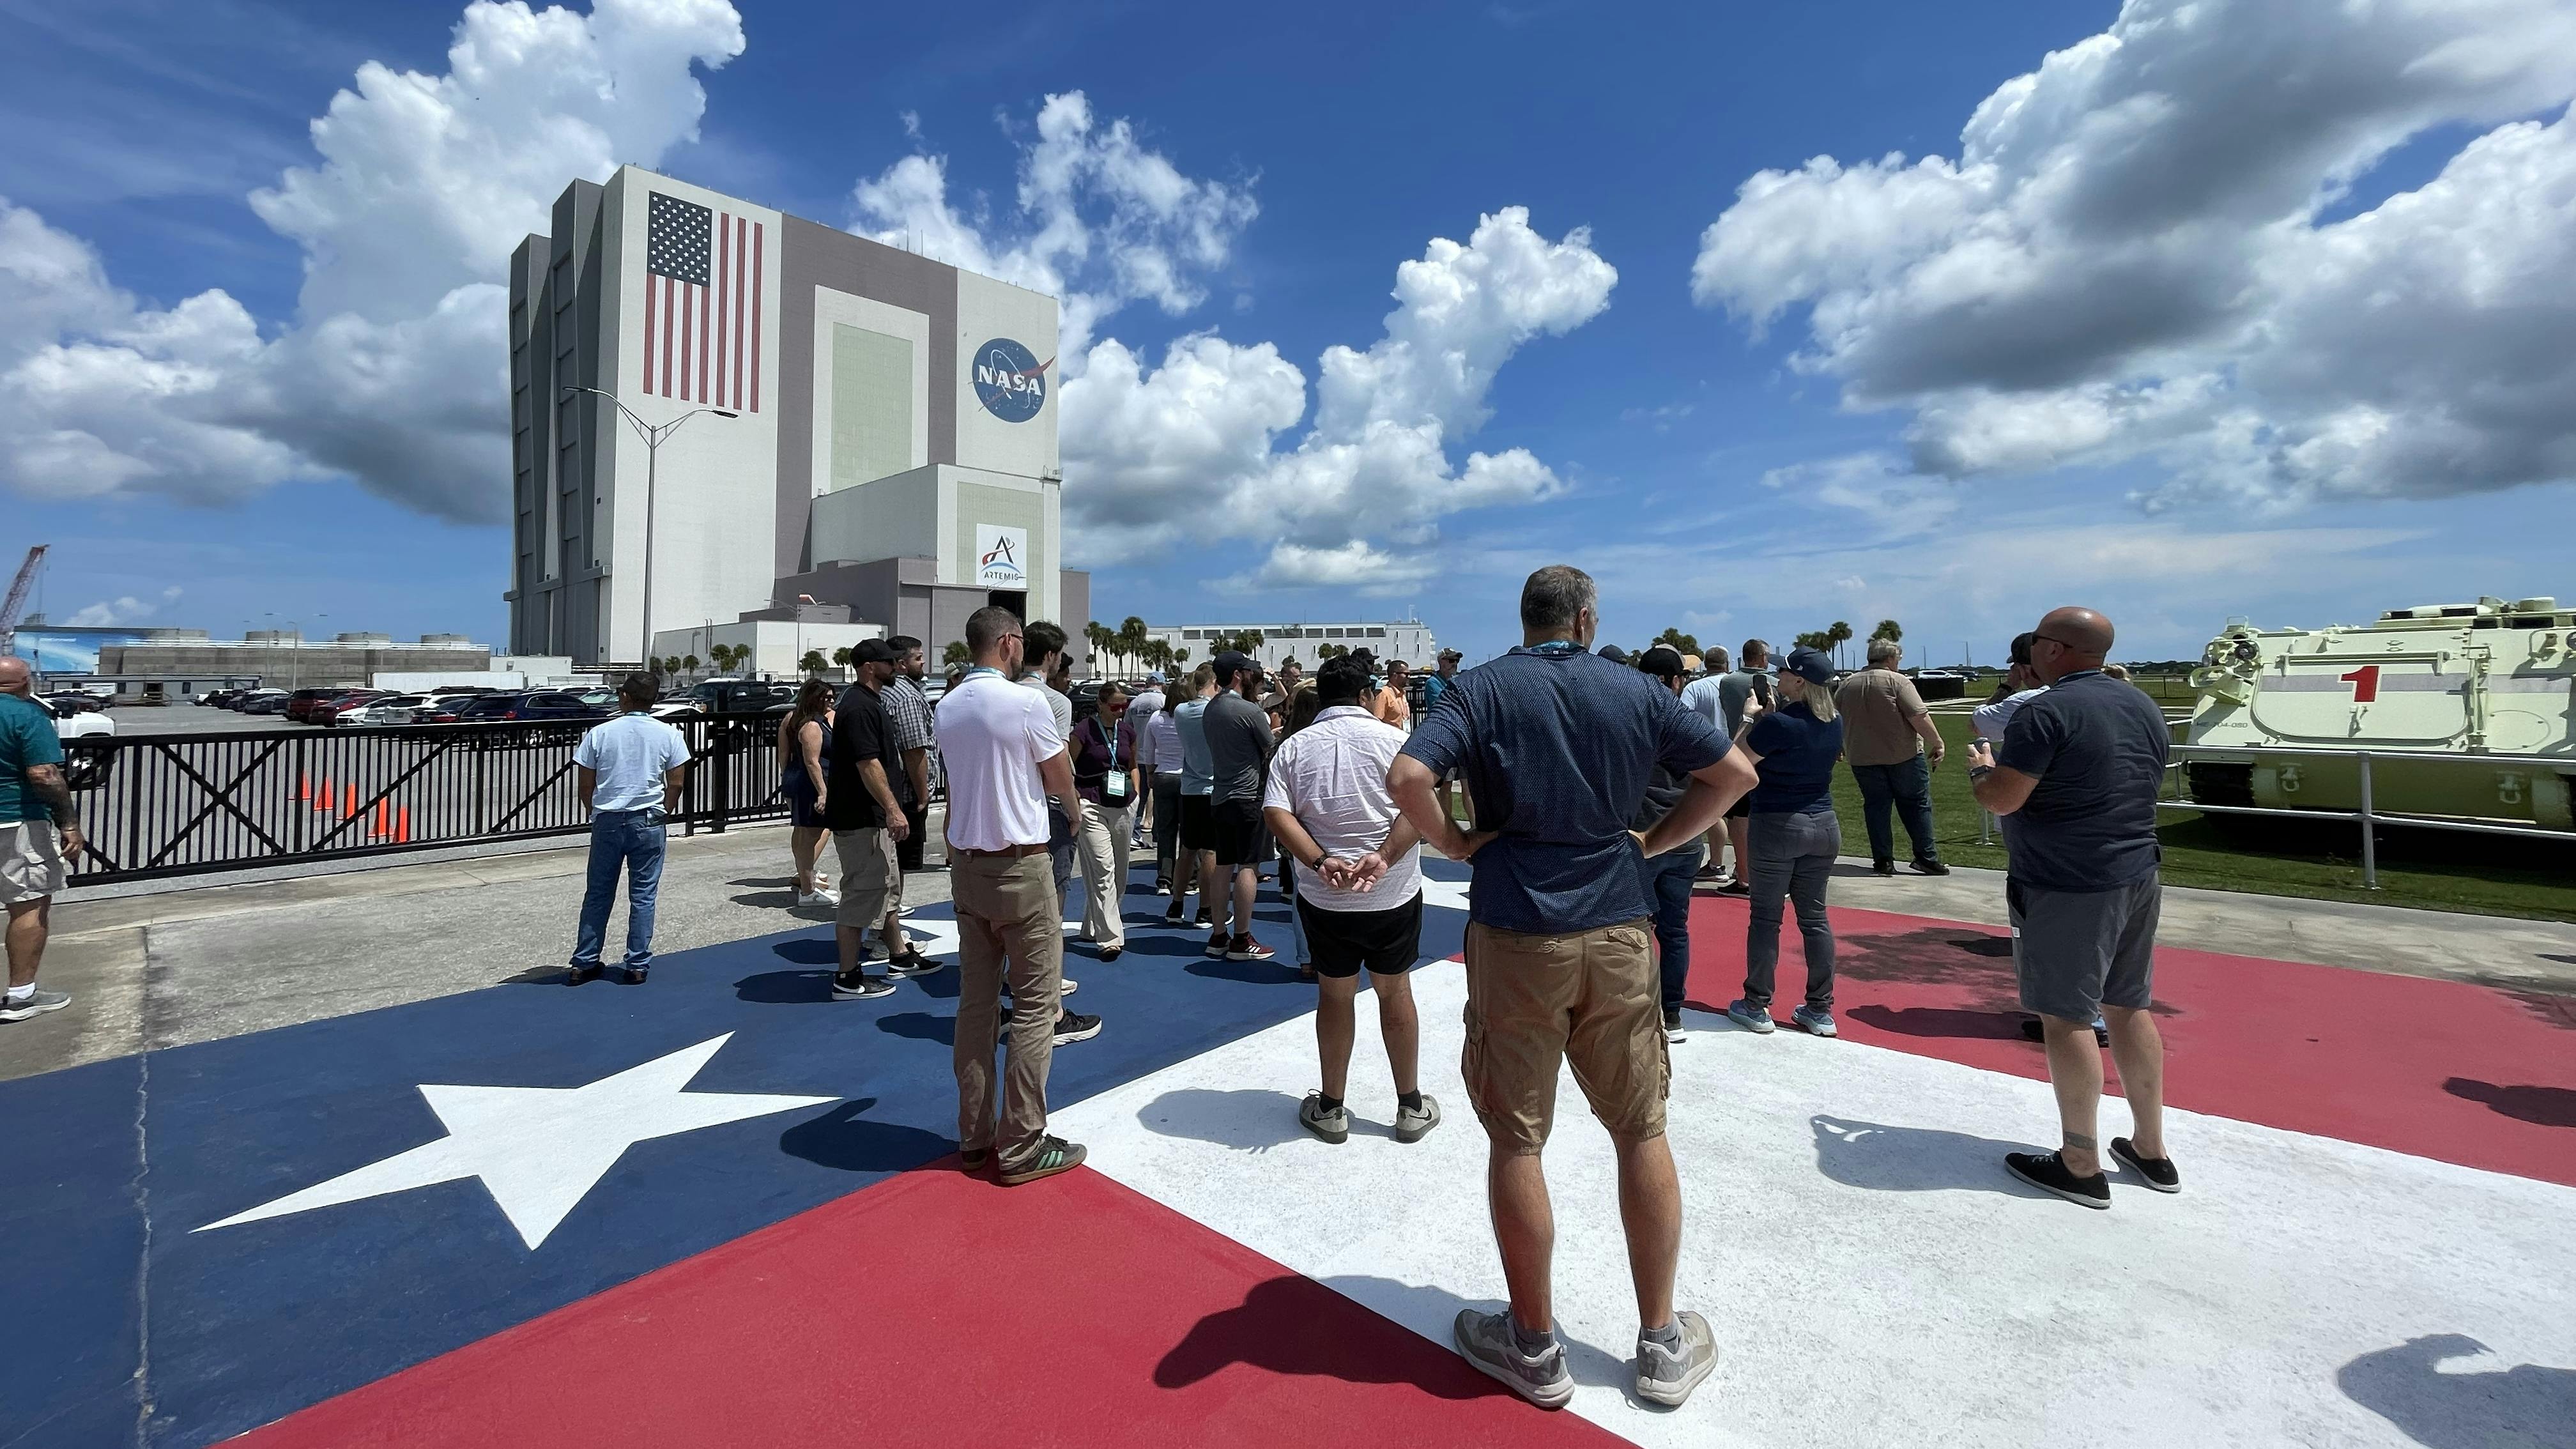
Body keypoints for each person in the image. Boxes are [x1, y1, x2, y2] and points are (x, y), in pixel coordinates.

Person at [1389, 565, 1755, 1411]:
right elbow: (1735, 775)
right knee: (1639, 1128)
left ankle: (1532, 1343)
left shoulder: (1480, 689)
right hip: (1620, 926)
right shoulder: (1634, 690)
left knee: (1518, 1139)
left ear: (1526, 621)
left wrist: (1456, 843)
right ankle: (1661, 1341)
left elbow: (1409, 779)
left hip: (1517, 929)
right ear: (1587, 621)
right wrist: (1658, 843)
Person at [1969, 608, 2177, 1210]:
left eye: (2036, 640)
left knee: (2066, 1017)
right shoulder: (2140, 704)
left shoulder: (2044, 709)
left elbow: (2005, 799)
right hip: (2137, 870)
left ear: (2055, 650)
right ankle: (2151, 1148)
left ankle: (2080, 1162)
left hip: (2068, 882)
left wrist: (1983, 774)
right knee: (2130, 1007)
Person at [936, 606, 1090, 1184]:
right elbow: (1058, 778)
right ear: (1006, 642)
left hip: (968, 866)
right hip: (1020, 867)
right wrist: (1073, 818)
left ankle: (974, 1137)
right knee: (1034, 1006)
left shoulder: (947, 705)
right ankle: (1022, 1143)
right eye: (1020, 641)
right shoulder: (1026, 703)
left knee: (976, 1007)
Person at [1263, 656, 1436, 1144]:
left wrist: (1320, 861)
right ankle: (1410, 1105)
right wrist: (1382, 855)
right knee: (1395, 992)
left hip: (1326, 897)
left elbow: (1276, 812)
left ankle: (1332, 1106)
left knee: (1335, 996)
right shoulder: (1397, 742)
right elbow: (1420, 809)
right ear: (1365, 695)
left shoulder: (1294, 747)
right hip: (1393, 893)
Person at [1725, 647, 1846, 1038]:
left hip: (1778, 823)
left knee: (1766, 918)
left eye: (1784, 673)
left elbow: (1735, 762)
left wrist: (1750, 720)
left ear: (1799, 681)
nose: (1777, 678)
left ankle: (1757, 1003)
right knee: (1814, 919)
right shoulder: (1834, 722)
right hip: (1824, 824)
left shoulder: (1778, 725)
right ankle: (1820, 1009)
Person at [567, 673, 692, 985]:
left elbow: (586, 784)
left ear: (624, 696)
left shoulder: (600, 733)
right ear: (654, 699)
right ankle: (637, 963)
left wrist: (593, 811)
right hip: (648, 817)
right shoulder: (669, 734)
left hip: (608, 818)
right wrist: (665, 810)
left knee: (598, 892)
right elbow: (676, 782)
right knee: (644, 894)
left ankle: (584, 960)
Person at [829, 639, 935, 997]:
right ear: (869, 666)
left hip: (870, 819)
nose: (896, 667)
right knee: (860, 894)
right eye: (889, 662)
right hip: (861, 819)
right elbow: (867, 763)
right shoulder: (859, 707)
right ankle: (847, 976)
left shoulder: (871, 702)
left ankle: (899, 954)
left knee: (885, 887)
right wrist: (893, 808)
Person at [1630, 647, 1706, 1042]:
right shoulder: (1691, 724)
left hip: (1642, 838)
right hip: (1685, 837)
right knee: (1675, 930)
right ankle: (1672, 1012)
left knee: (1634, 930)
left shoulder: (1631, 720)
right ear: (1678, 681)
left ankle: (1639, 1010)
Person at [1, 657, 80, 1023]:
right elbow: (44, 774)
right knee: (28, 904)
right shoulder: (27, 716)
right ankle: (20, 997)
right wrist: (69, 824)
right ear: (24, 682)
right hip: (16, 820)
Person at [1836, 638, 1949, 877]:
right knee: (1917, 805)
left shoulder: (1846, 685)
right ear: (1890, 659)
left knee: (1876, 808)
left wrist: (1838, 745)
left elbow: (1836, 719)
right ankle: (1925, 857)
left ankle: (1883, 860)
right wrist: (1937, 741)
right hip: (1903, 755)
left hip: (1863, 757)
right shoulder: (1898, 682)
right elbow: (1919, 716)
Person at [1202, 650, 1278, 962]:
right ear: (1238, 674)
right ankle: (1242, 938)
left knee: (1223, 865)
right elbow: (1269, 747)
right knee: (1249, 866)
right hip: (1249, 797)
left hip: (1220, 796)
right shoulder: (1248, 710)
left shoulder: (1211, 710)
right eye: (1248, 671)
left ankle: (1219, 934)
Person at [1069, 682, 1138, 960]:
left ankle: (1091, 926)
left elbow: (1133, 765)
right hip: (1092, 805)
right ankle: (1111, 938)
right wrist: (1074, 797)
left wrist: (1137, 793)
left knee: (1120, 874)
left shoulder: (1128, 732)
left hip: (1122, 806)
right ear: (1101, 703)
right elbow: (1069, 765)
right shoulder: (1084, 730)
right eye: (1116, 706)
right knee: (1103, 869)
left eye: (1125, 706)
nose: (1121, 711)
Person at [776, 679, 837, 905]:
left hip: (795, 776)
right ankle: (807, 882)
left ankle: (806, 877)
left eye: (833, 697)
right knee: (815, 832)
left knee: (802, 831)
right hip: (812, 782)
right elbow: (813, 762)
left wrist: (786, 777)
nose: (831, 701)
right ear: (815, 698)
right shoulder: (814, 725)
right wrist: (823, 791)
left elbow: (783, 754)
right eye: (827, 697)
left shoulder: (791, 719)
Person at [1170, 665, 1220, 929]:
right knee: (1210, 850)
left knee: (1188, 849)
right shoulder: (1213, 710)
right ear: (1213, 682)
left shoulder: (1181, 710)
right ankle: (1205, 909)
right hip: (1212, 788)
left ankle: (1176, 904)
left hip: (1189, 787)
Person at [884, 635, 937, 873]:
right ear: (902, 664)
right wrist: (923, 795)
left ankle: (892, 904)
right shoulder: (906, 697)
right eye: (918, 658)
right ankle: (893, 907)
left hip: (893, 793)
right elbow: (914, 751)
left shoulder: (885, 690)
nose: (923, 663)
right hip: (908, 796)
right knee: (902, 862)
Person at [1138, 677, 1186, 895]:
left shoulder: (1157, 719)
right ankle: (1189, 878)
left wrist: (1149, 774)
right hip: (1188, 777)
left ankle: (1164, 879)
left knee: (1165, 830)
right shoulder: (1190, 718)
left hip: (1163, 775)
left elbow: (1148, 750)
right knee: (1188, 832)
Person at [1372, 657, 1413, 728]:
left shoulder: (1402, 694)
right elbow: (1377, 722)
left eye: (1409, 674)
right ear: (1395, 675)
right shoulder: (1384, 694)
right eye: (1406, 674)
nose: (1409, 677)